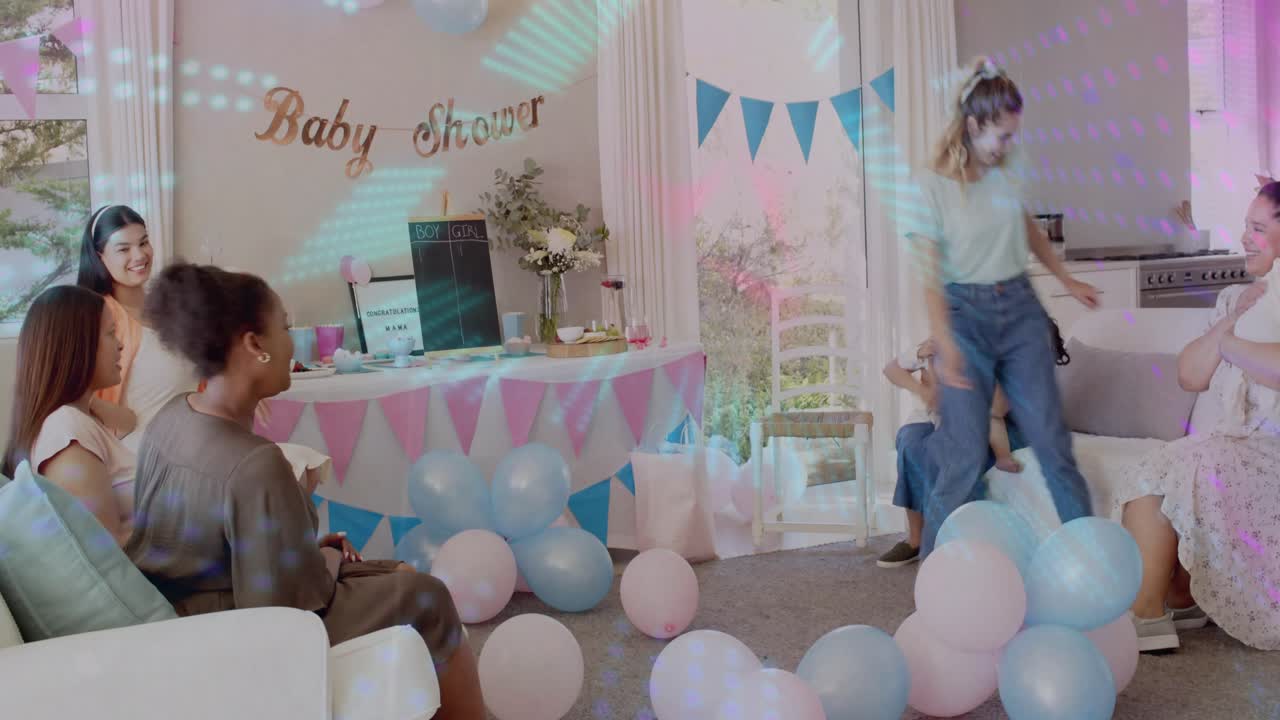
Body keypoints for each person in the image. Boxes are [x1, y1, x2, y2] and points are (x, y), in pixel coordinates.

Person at [123, 263, 483, 720]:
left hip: (192, 613)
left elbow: (217, 547)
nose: (293, 343)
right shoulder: (256, 463)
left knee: (386, 572)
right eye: (286, 329)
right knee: (426, 595)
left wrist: (307, 550)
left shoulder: (171, 417)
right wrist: (325, 562)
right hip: (231, 634)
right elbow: (283, 613)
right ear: (255, 345)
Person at [903, 56, 1099, 558]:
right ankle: (937, 576)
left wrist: (1064, 277)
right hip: (964, 318)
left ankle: (1092, 563)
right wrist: (943, 337)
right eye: (1002, 136)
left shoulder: (1005, 172)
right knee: (964, 454)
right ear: (972, 126)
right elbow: (930, 274)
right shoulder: (929, 186)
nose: (1010, 146)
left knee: (1054, 446)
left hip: (1019, 310)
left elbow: (1027, 227)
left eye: (1015, 135)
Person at [1115, 182, 1280, 652]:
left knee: (1180, 466)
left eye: (1258, 228)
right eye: (1245, 226)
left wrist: (1232, 345)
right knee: (1152, 472)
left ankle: (1164, 607)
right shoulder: (1235, 299)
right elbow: (1190, 375)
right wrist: (1231, 321)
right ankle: (1160, 608)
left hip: (1273, 455)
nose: (1245, 237)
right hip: (1240, 447)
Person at [877, 321, 1071, 567]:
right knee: (911, 444)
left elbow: (998, 408)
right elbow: (893, 369)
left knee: (963, 450)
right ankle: (916, 540)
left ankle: (949, 540)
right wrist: (924, 390)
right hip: (934, 416)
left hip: (990, 419)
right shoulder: (939, 346)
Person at [1, 286, 136, 546]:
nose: (120, 344)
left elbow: (131, 421)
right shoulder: (67, 430)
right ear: (76, 346)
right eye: (110, 334)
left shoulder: (81, 415)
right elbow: (106, 553)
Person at [77, 204, 200, 451]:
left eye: (143, 243)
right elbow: (79, 396)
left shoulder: (172, 307)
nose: (139, 255)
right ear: (99, 256)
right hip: (142, 456)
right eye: (123, 249)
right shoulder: (96, 317)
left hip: (195, 444)